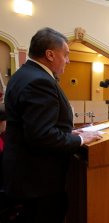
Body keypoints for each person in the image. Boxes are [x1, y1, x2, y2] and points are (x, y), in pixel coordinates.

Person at [2, 28, 102, 223]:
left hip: (26, 175)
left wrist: (70, 132)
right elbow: (41, 135)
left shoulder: (24, 74)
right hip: (37, 181)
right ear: (50, 54)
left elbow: (34, 124)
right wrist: (81, 138)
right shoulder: (39, 81)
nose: (68, 60)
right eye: (65, 55)